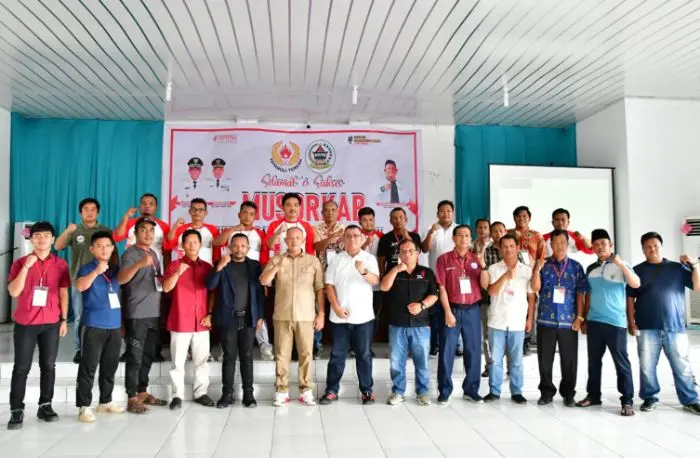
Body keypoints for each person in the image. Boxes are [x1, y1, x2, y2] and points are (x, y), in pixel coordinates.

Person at [626, 232, 700, 415]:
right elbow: (630, 298)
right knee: (647, 366)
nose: (652, 249)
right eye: (648, 246)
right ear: (643, 249)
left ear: (661, 247)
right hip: (646, 326)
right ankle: (649, 398)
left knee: (682, 365)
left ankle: (690, 400)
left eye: (655, 246)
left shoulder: (677, 268)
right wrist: (631, 322)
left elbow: (697, 286)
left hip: (675, 326)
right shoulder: (638, 270)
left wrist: (695, 265)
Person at [6, 222, 70, 430]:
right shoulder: (19, 263)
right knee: (21, 367)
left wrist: (63, 320)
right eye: (37, 236)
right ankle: (17, 409)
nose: (42, 239)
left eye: (46, 235)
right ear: (31, 239)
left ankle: (45, 405)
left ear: (53, 239)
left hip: (51, 323)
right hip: (26, 324)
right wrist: (27, 267)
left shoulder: (61, 264)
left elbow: (63, 293)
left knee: (49, 366)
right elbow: (14, 291)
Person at [576, 229, 640, 416]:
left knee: (621, 362)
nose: (600, 247)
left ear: (610, 245)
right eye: (596, 244)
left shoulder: (621, 265)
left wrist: (620, 263)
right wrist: (584, 318)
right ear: (593, 248)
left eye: (603, 243)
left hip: (616, 323)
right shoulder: (591, 269)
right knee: (594, 361)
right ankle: (593, 395)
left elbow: (635, 283)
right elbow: (588, 295)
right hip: (594, 321)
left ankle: (627, 399)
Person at [260, 227, 325, 406]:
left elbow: (319, 288)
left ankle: (306, 390)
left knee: (306, 354)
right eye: (290, 238)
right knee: (282, 354)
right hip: (282, 315)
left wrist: (321, 313)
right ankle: (282, 391)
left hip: (306, 315)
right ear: (285, 241)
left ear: (303, 240)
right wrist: (278, 267)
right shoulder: (276, 259)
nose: (294, 240)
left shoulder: (313, 261)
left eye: (298, 237)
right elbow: (264, 280)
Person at [319, 225, 380, 405]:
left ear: (362, 239)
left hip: (363, 318)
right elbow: (329, 285)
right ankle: (331, 390)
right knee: (337, 355)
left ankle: (367, 391)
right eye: (348, 236)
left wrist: (363, 271)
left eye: (355, 235)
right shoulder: (336, 259)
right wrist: (336, 307)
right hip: (339, 318)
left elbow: (375, 281)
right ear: (343, 240)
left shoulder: (369, 258)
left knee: (364, 355)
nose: (352, 239)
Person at [206, 233, 266, 409]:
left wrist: (260, 315)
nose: (239, 249)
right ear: (230, 247)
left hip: (249, 317)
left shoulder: (254, 266)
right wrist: (219, 267)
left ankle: (248, 394)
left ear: (248, 248)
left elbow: (260, 293)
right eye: (236, 245)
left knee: (247, 356)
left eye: (243, 246)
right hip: (228, 318)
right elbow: (210, 285)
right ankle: (227, 394)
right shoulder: (222, 264)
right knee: (229, 357)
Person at [530, 229, 588, 407]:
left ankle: (568, 393)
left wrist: (580, 317)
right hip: (546, 319)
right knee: (545, 359)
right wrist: (537, 269)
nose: (559, 246)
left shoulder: (576, 267)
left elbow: (581, 293)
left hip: (568, 321)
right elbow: (535, 288)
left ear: (568, 244)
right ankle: (546, 392)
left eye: (563, 242)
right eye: (556, 243)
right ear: (551, 244)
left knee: (569, 360)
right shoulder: (543, 264)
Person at [116, 217, 167, 414]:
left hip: (153, 313)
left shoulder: (153, 253)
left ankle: (142, 391)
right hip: (136, 314)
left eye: (151, 231)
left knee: (147, 356)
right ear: (136, 233)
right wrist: (139, 264)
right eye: (144, 230)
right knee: (134, 357)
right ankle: (131, 397)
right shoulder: (130, 253)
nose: (148, 234)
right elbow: (121, 279)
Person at [380, 239, 439, 406]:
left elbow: (434, 295)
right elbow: (384, 287)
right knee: (396, 362)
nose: (407, 254)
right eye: (403, 251)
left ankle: (423, 393)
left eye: (411, 251)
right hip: (397, 325)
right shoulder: (393, 270)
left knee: (422, 362)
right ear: (399, 254)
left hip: (420, 325)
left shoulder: (426, 272)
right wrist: (396, 269)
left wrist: (422, 305)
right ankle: (398, 392)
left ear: (418, 252)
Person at [74, 231, 125, 423]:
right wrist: (96, 272)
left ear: (112, 248)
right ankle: (84, 406)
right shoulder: (86, 268)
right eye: (100, 246)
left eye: (108, 246)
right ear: (92, 249)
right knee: (88, 367)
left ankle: (105, 401)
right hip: (93, 325)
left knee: (110, 366)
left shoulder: (116, 270)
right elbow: (80, 286)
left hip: (114, 325)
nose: (104, 249)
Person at [54, 197, 112, 364]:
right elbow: (57, 246)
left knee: (101, 313)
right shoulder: (75, 230)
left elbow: (113, 254)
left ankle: (101, 348)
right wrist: (67, 231)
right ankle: (80, 349)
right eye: (86, 209)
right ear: (80, 213)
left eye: (93, 209)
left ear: (98, 212)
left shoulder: (105, 230)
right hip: (79, 280)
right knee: (80, 315)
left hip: (102, 280)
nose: (89, 212)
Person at [213, 201, 273, 361]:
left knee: (256, 311)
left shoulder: (259, 233)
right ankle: (223, 346)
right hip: (232, 275)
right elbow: (216, 242)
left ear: (255, 217)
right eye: (245, 213)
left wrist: (264, 281)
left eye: (252, 214)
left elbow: (264, 257)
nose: (248, 216)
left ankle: (264, 345)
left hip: (254, 275)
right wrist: (234, 229)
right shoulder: (231, 232)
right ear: (239, 214)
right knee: (228, 312)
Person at [163, 229, 215, 409]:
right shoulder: (174, 265)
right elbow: (166, 288)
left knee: (202, 361)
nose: (192, 245)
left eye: (195, 242)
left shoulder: (207, 267)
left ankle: (201, 393)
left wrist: (210, 314)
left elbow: (212, 293)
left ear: (200, 244)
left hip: (202, 322)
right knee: (177, 362)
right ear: (182, 245)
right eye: (188, 242)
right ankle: (177, 395)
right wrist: (178, 273)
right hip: (180, 321)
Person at [480, 234, 535, 404]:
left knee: (516, 360)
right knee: (495, 360)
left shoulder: (527, 270)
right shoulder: (494, 269)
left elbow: (531, 296)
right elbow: (491, 292)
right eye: (505, 246)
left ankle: (516, 391)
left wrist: (530, 319)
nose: (508, 249)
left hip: (518, 322)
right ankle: (494, 391)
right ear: (500, 248)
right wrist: (505, 276)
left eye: (512, 246)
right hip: (497, 321)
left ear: (517, 248)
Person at [435, 224, 484, 405]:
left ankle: (471, 390)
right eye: (460, 235)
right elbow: (441, 287)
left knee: (473, 350)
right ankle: (444, 391)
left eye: (467, 235)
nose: (464, 238)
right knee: (447, 351)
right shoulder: (444, 259)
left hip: (472, 310)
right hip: (452, 309)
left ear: (471, 239)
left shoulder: (476, 259)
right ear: (454, 238)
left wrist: (483, 266)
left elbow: (485, 285)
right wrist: (448, 312)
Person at [480, 221, 521, 377]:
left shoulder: (514, 251)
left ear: (505, 232)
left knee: (510, 333)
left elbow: (521, 274)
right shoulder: (486, 251)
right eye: (495, 231)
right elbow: (483, 273)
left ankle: (511, 367)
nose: (498, 234)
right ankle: (490, 365)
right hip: (489, 299)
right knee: (488, 335)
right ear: (491, 234)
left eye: (501, 231)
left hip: (510, 301)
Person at [421, 200, 460, 357]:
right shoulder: (430, 228)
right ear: (437, 213)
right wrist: (431, 233)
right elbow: (424, 249)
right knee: (436, 312)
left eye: (449, 211)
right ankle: (435, 344)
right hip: (435, 276)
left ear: (453, 213)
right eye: (442, 211)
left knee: (455, 309)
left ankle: (457, 344)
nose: (446, 214)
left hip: (455, 277)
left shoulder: (458, 229)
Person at [312, 200, 347, 358]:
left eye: (333, 209)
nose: (330, 212)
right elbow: (316, 247)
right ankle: (316, 345)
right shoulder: (315, 228)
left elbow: (348, 250)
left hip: (339, 276)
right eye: (326, 210)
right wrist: (330, 239)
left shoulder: (344, 229)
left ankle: (340, 345)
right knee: (317, 310)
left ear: (338, 212)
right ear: (322, 212)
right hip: (319, 274)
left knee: (339, 308)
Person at [509, 205, 545, 356]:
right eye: (518, 216)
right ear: (514, 218)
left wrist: (536, 272)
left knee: (531, 307)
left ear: (529, 218)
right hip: (513, 277)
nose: (521, 218)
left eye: (524, 216)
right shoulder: (508, 233)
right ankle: (515, 340)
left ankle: (527, 340)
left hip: (530, 277)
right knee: (514, 306)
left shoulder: (537, 236)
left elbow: (542, 257)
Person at [113, 193, 171, 266]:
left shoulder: (164, 227)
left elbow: (167, 253)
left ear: (156, 208)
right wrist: (126, 216)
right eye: (144, 203)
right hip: (131, 265)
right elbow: (117, 237)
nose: (147, 206)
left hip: (153, 267)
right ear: (139, 207)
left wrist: (167, 272)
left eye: (151, 204)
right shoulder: (130, 223)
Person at [359, 206, 384, 352]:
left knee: (375, 316)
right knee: (359, 315)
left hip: (377, 284)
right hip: (359, 284)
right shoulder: (355, 236)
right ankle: (355, 346)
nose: (368, 223)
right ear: (359, 221)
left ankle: (368, 346)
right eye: (365, 220)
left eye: (371, 219)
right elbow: (351, 254)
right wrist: (365, 244)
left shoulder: (382, 237)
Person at [166, 198, 220, 265]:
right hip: (184, 268)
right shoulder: (181, 228)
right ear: (189, 211)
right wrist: (175, 227)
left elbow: (217, 253)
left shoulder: (212, 229)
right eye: (194, 209)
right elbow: (169, 243)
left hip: (206, 269)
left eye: (201, 210)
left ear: (206, 213)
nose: (197, 212)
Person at [263, 192, 316, 258]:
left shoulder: (306, 226)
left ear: (299, 208)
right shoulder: (274, 225)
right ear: (283, 208)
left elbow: (310, 251)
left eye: (295, 205)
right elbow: (268, 247)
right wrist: (277, 233)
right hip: (280, 262)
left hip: (300, 262)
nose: (292, 208)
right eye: (288, 205)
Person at [377, 207, 421, 276]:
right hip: (392, 274)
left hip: (412, 273)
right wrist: (382, 275)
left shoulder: (415, 236)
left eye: (401, 217)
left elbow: (418, 252)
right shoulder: (385, 238)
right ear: (390, 221)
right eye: (395, 218)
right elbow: (381, 260)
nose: (398, 220)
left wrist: (408, 238)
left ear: (406, 219)